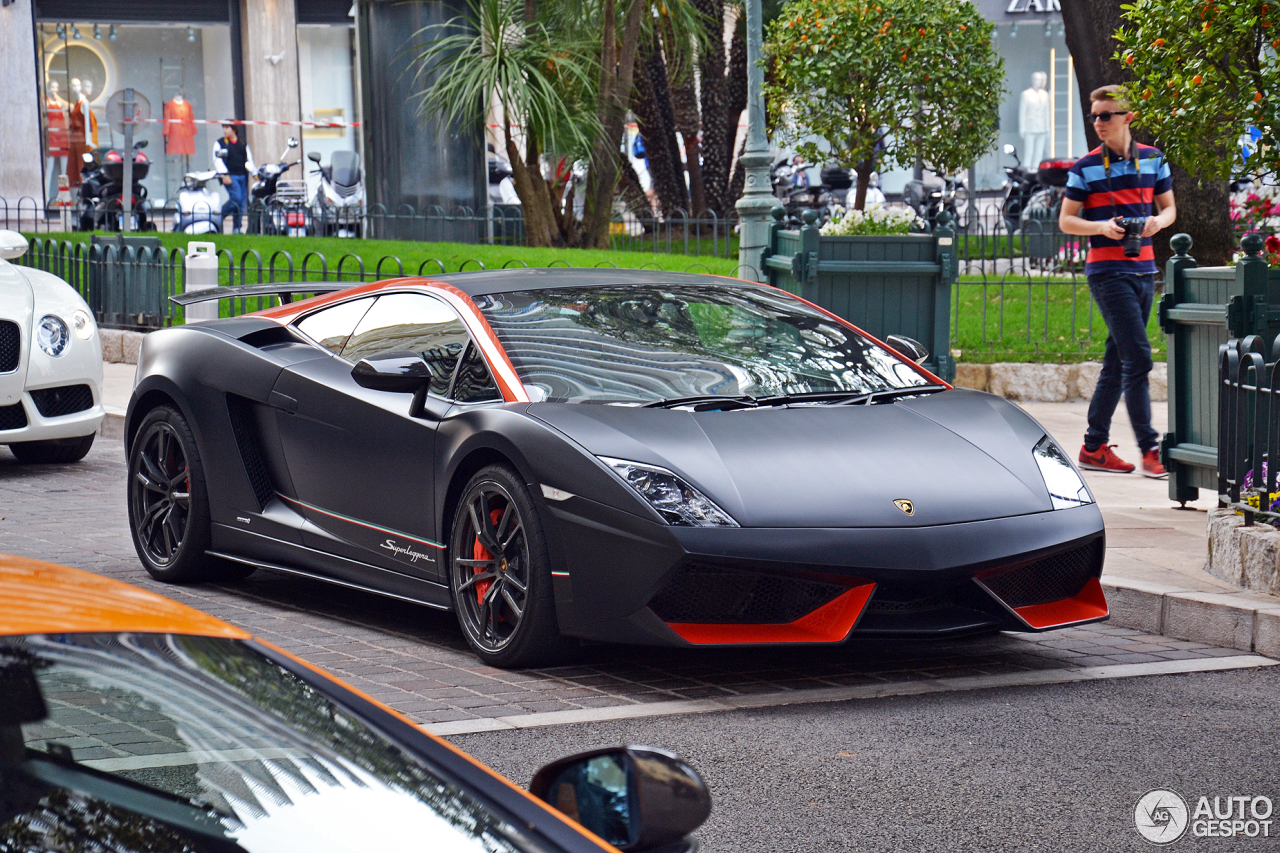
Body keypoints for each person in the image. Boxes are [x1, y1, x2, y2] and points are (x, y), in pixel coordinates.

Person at [1059, 85, 1177, 478]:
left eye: (1106, 115)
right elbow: (1066, 220)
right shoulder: (1087, 166)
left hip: (1144, 269)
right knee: (1139, 358)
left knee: (1117, 359)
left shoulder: (1154, 159)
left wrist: (1158, 222)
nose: (1098, 123)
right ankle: (1150, 448)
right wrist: (1101, 227)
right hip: (1107, 272)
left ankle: (1093, 447)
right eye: (1095, 116)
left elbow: (1169, 207)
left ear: (1128, 117)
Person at [213, 123, 255, 233]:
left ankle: (237, 228)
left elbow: (249, 159)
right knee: (236, 197)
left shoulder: (242, 142)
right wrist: (224, 175)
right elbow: (217, 160)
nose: (224, 131)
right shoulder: (220, 143)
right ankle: (219, 216)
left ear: (234, 129)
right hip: (230, 176)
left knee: (241, 203)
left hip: (243, 175)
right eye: (224, 128)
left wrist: (254, 173)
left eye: (227, 128)